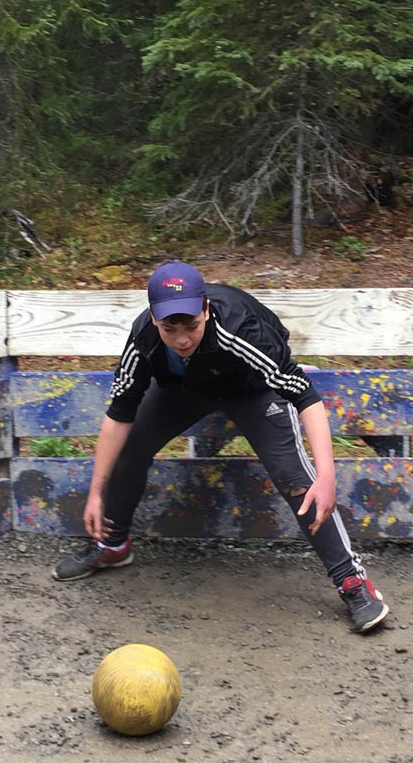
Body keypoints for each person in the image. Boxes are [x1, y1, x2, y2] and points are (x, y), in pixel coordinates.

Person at [50, 261, 391, 633]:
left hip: (251, 387)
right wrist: (96, 492)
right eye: (170, 328)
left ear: (207, 311)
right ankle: (112, 545)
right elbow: (118, 414)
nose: (181, 339)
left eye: (191, 326)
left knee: (295, 477)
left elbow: (305, 397)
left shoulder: (239, 328)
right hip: (185, 390)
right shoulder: (143, 339)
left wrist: (326, 476)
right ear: (153, 319)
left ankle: (352, 582)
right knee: (128, 446)